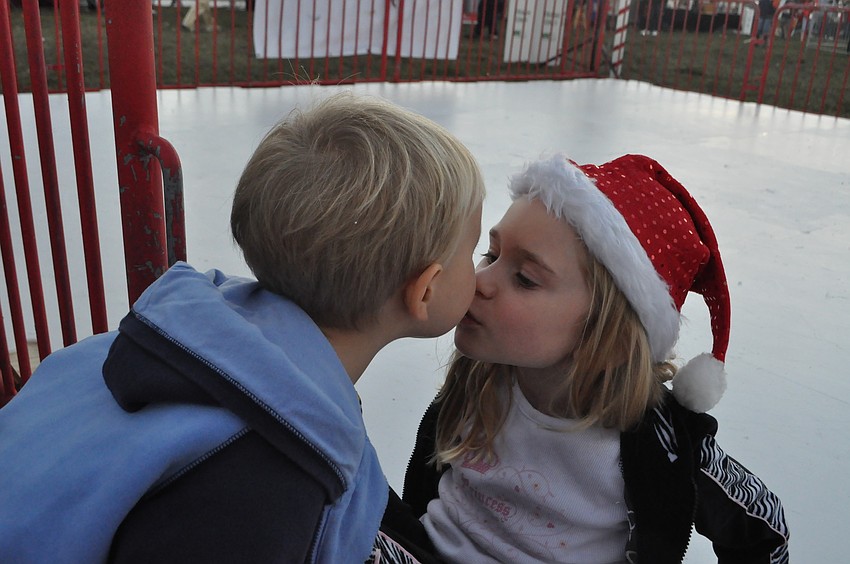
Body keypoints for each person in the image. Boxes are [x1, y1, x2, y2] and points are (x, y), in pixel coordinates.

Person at [0, 92, 484, 563]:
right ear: (425, 290)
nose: (483, 276)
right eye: (472, 251)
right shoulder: (264, 478)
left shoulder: (209, 344)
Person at [400, 154, 790, 562]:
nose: (480, 282)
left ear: (610, 339)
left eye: (525, 279)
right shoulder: (479, 382)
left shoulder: (664, 446)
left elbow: (765, 528)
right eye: (491, 255)